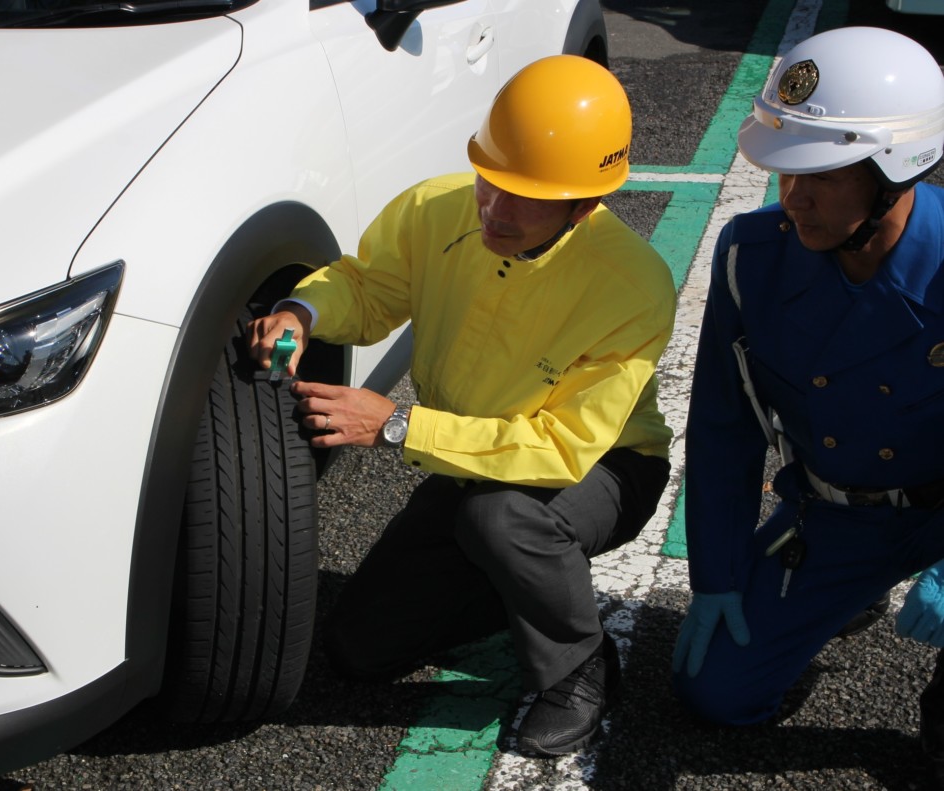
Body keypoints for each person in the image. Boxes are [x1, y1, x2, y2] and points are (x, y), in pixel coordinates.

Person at [247, 54, 675, 757]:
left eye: (525, 197)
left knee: (504, 519)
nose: (495, 211)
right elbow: (369, 287)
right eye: (490, 181)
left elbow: (563, 447)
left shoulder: (631, 285)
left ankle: (578, 669)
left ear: (585, 200)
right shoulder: (437, 209)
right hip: (472, 456)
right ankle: (518, 584)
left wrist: (392, 423)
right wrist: (303, 307)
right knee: (360, 649)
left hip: (602, 468)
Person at [672, 24, 944, 781]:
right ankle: (841, 595)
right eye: (786, 171)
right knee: (716, 692)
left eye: (821, 174)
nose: (793, 196)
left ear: (896, 170)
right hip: (840, 514)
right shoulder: (750, 256)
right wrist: (716, 574)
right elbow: (724, 428)